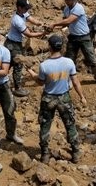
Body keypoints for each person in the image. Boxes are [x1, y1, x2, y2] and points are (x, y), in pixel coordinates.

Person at [28, 34, 87, 164]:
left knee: (45, 125)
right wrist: (82, 97)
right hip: (64, 97)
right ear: (61, 46)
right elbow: (75, 82)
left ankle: (44, 154)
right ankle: (76, 152)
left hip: (48, 98)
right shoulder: (69, 62)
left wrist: (32, 74)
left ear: (49, 46)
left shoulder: (44, 65)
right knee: (70, 125)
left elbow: (40, 82)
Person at [50, 0, 96, 85]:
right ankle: (68, 80)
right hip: (73, 37)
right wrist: (52, 27)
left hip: (84, 37)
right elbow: (65, 23)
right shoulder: (66, 9)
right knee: (69, 59)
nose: (67, 1)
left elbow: (69, 21)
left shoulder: (78, 8)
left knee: (91, 59)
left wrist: (54, 24)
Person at [5, 0, 46, 97]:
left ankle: (0, 81)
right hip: (13, 44)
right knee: (18, 64)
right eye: (25, 8)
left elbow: (31, 19)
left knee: (9, 63)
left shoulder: (23, 13)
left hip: (15, 43)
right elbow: (29, 34)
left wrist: (41, 23)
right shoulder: (17, 20)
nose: (27, 10)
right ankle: (17, 88)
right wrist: (43, 33)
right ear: (19, 7)